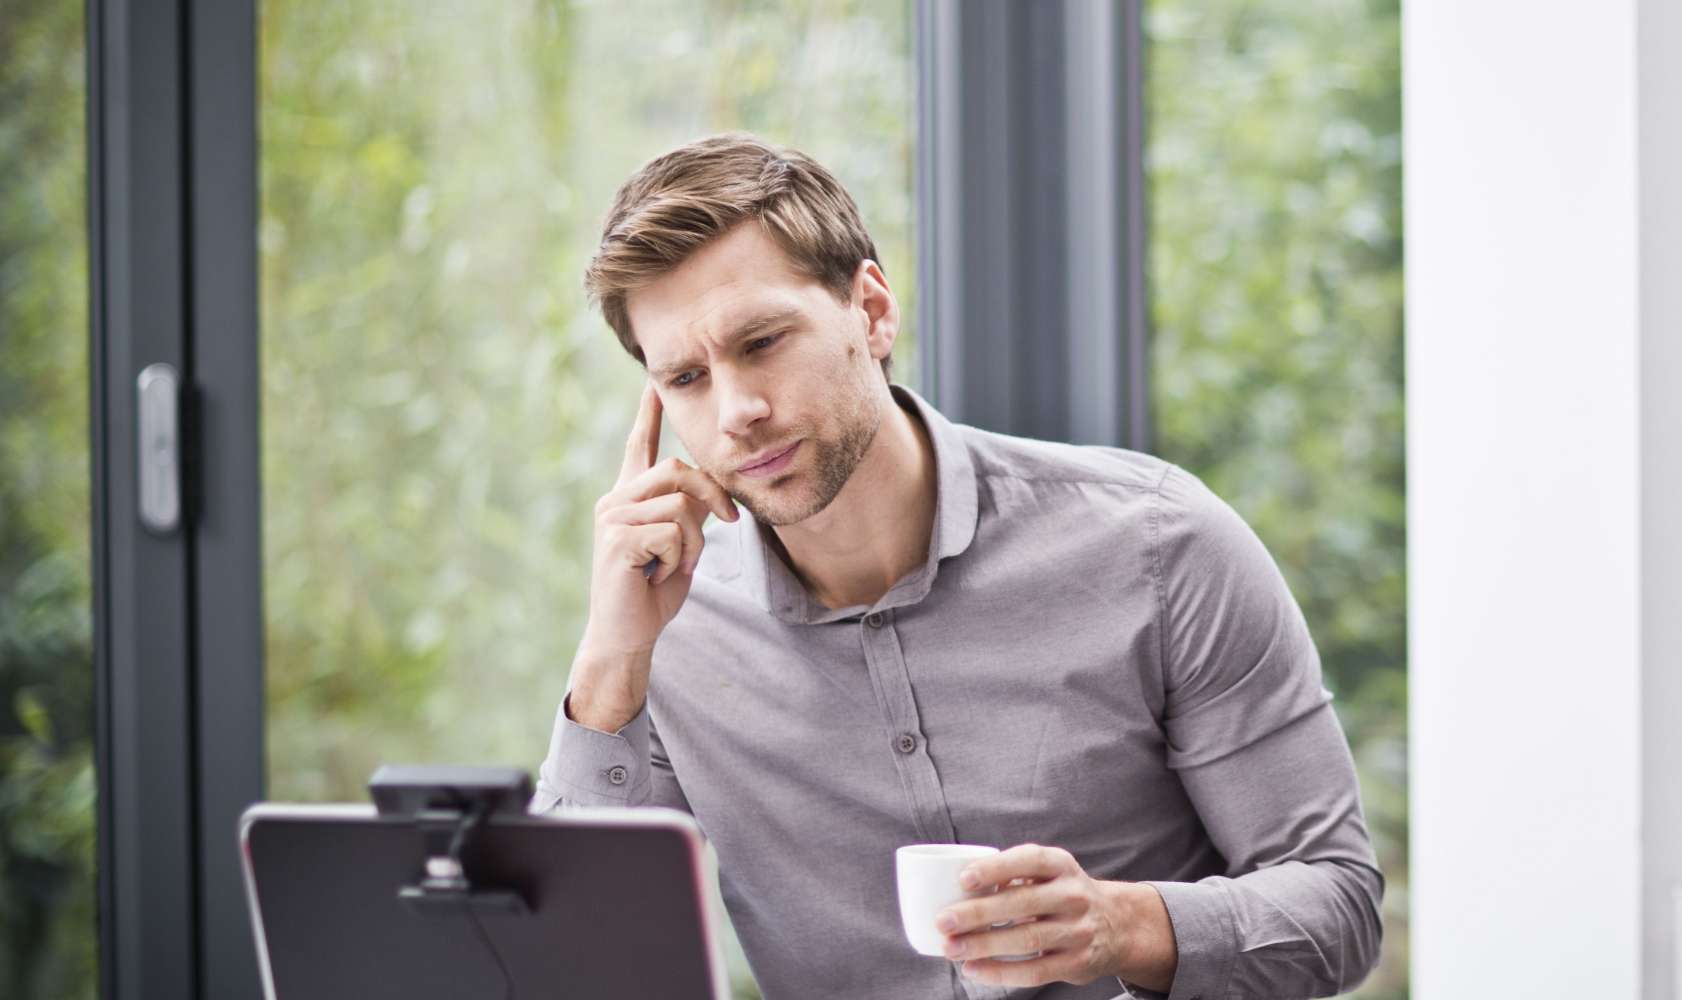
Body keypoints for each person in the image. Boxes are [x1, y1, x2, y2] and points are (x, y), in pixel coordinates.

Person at [534, 132, 1382, 1000]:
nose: (738, 410)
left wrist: (1125, 927)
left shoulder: (1161, 545)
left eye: (762, 342)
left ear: (870, 310)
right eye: (686, 377)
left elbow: (1339, 905)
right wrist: (610, 663)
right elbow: (566, 966)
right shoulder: (668, 626)